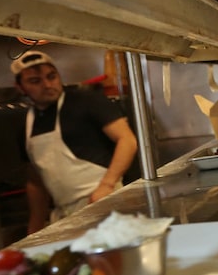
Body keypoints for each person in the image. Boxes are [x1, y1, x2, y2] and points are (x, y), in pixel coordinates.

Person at [12, 50, 138, 234]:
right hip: (65, 215)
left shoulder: (87, 101)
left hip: (104, 202)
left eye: (51, 76)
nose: (47, 85)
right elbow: (35, 181)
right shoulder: (25, 124)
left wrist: (107, 185)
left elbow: (127, 139)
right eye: (35, 81)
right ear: (20, 87)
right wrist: (35, 226)